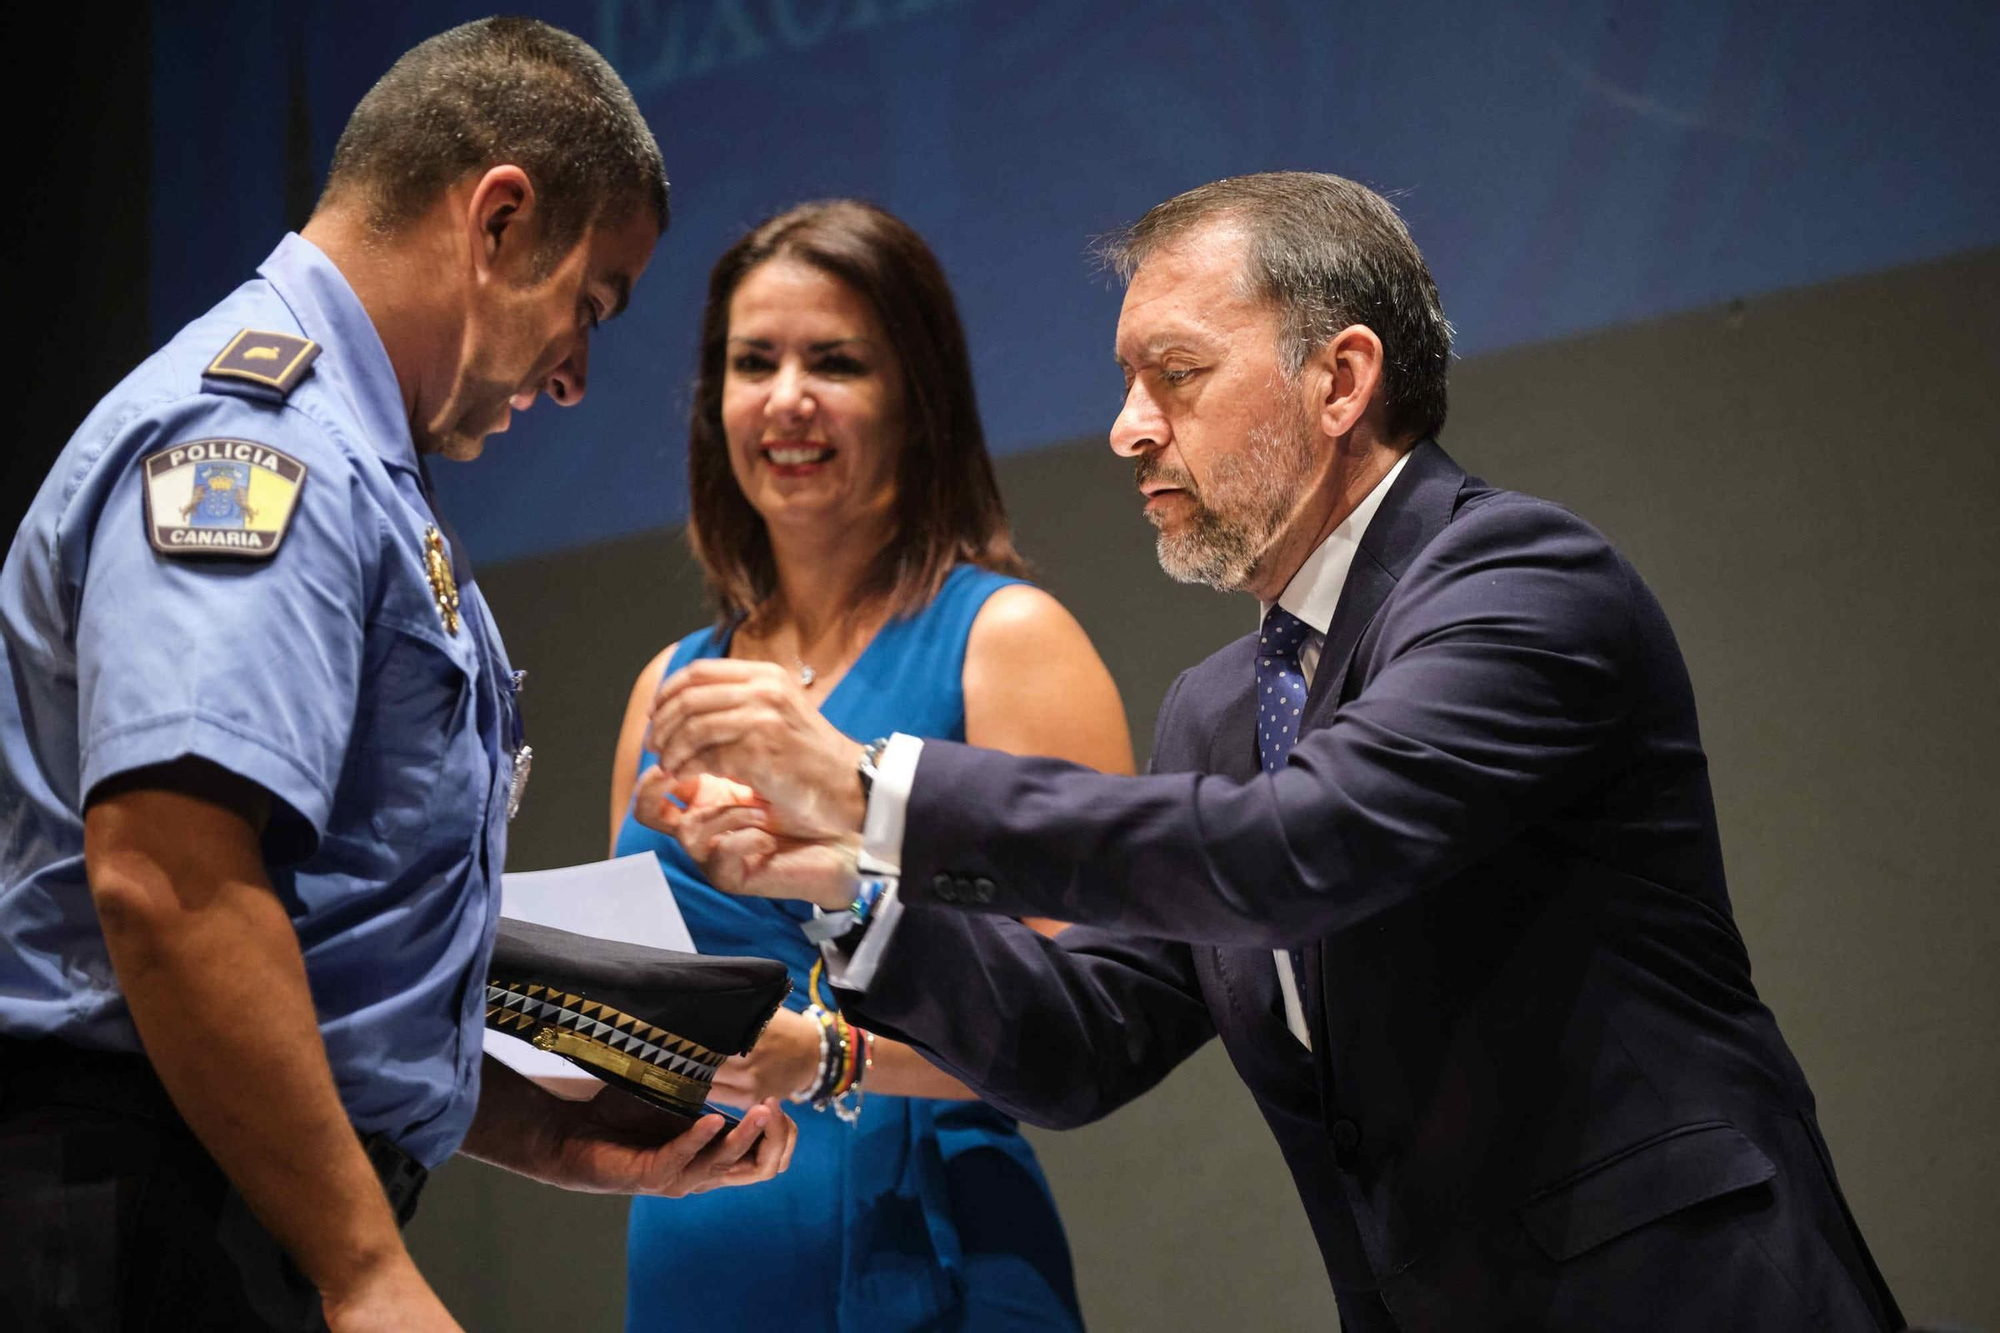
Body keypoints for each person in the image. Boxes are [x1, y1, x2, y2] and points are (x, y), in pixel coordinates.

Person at [643, 173, 1905, 1332]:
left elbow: (1302, 845)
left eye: (1174, 375)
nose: (1126, 430)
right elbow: (1085, 1040)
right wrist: (841, 885)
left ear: (1339, 380)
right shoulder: (1217, 706)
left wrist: (876, 789)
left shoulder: (1521, 582)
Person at [0, 19, 794, 1333]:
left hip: (224, 1195)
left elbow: (321, 972)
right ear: (497, 220)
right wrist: (366, 1271)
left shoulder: (355, 473)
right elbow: (170, 885)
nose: (581, 374)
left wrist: (554, 1137)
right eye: (588, 304)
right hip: (153, 1212)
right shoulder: (258, 446)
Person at [612, 199, 1132, 1332]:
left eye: (835, 361)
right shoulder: (668, 685)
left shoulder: (1007, 641)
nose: (786, 397)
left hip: (928, 1251)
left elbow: (1089, 1030)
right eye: (754, 362)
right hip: (690, 1255)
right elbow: (626, 1030)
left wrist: (828, 1057)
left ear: (915, 399)